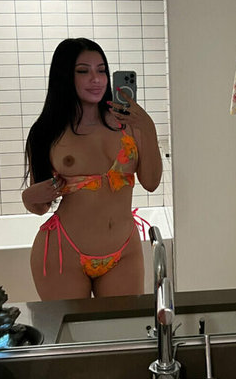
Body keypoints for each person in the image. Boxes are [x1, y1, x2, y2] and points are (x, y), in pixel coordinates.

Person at [22, 38, 162, 300]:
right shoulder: (46, 132)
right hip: (64, 252)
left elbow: (151, 182)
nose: (96, 79)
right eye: (83, 71)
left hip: (124, 251)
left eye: (102, 70)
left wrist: (148, 128)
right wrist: (28, 198)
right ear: (65, 76)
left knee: (124, 326)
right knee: (72, 327)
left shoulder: (129, 124)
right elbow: (41, 205)